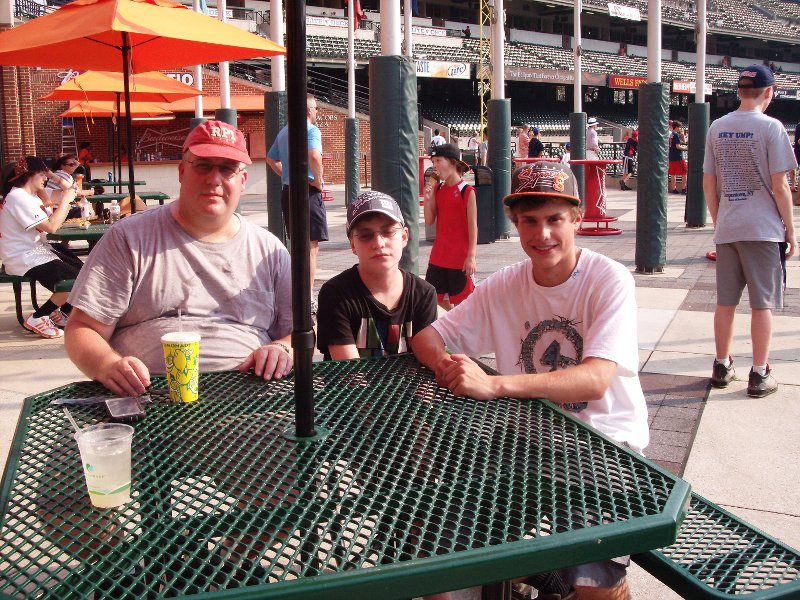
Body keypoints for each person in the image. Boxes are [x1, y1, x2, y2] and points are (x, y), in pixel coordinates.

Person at [413, 161, 649, 600]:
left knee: (594, 586)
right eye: (530, 221)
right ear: (515, 223)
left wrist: (495, 384)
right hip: (523, 444)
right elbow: (427, 337)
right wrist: (450, 368)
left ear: (576, 218)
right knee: (440, 570)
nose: (542, 235)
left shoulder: (608, 279)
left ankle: (548, 577)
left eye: (554, 219)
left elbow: (596, 380)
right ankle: (532, 576)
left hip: (603, 445)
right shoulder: (505, 284)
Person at [65, 120, 294, 396]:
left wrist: (282, 349)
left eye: (227, 169)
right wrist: (107, 364)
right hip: (150, 401)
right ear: (182, 171)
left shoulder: (270, 250)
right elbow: (82, 327)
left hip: (250, 402)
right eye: (203, 165)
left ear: (242, 180)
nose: (214, 179)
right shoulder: (128, 238)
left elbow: (299, 332)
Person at [704, 64, 797, 398]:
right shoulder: (772, 127)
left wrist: (719, 219)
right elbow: (781, 185)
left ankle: (720, 364)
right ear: (769, 92)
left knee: (725, 302)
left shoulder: (717, 126)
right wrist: (790, 229)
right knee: (762, 304)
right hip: (763, 228)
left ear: (739, 91)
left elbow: (708, 181)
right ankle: (759, 372)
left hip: (729, 225)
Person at [316, 191, 437, 360]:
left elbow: (428, 359)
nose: (378, 243)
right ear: (352, 245)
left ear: (404, 237)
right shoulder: (336, 294)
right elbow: (349, 373)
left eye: (388, 232)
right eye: (365, 236)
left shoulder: (423, 294)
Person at [0, 156, 82, 338]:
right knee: (74, 281)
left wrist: (57, 196)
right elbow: (52, 227)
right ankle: (39, 317)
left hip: (35, 251)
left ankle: (60, 312)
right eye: (42, 174)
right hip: (23, 256)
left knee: (83, 272)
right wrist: (67, 200)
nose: (46, 177)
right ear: (29, 175)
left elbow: (50, 206)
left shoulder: (26, 195)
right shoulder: (18, 198)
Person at [266, 94, 327, 314]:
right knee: (311, 248)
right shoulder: (311, 130)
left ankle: (295, 291)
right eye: (316, 108)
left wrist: (285, 174)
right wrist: (318, 182)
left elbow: (271, 158)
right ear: (309, 110)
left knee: (298, 246)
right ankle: (307, 297)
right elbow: (314, 155)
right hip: (306, 192)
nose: (317, 112)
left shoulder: (284, 131)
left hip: (289, 191)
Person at [424, 143, 477, 311]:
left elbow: (473, 225)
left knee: (464, 299)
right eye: (433, 162)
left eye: (439, 160)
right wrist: (428, 198)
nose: (435, 166)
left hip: (459, 258)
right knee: (433, 295)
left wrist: (471, 256)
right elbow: (429, 220)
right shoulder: (438, 189)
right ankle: (455, 320)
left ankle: (464, 327)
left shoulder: (467, 191)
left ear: (453, 163)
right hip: (439, 254)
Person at [668, 121, 688, 194]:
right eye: (680, 127)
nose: (680, 129)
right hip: (678, 156)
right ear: (676, 127)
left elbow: (681, 142)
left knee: (673, 174)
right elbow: (678, 146)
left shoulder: (671, 135)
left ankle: (674, 189)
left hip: (671, 156)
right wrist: (687, 149)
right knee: (685, 171)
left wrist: (682, 135)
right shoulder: (675, 135)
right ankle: (683, 188)